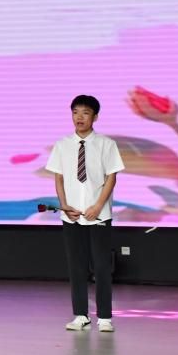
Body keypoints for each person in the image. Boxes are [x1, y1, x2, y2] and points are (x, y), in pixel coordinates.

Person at [47, 95, 125, 333]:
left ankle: (104, 317)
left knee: (101, 267)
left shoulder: (106, 144)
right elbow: (58, 178)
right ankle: (81, 315)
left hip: (98, 214)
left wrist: (98, 206)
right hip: (71, 215)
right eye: (75, 112)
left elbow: (111, 177)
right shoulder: (62, 145)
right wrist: (65, 206)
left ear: (95, 117)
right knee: (76, 267)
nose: (79, 117)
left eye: (85, 113)